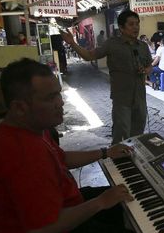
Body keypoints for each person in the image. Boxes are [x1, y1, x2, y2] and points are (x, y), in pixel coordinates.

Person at [0, 58, 146, 233]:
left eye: (59, 93)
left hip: (63, 210)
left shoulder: (33, 128)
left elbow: (61, 158)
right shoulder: (20, 153)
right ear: (19, 108)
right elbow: (42, 230)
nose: (61, 103)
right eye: (50, 98)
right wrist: (100, 202)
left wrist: (105, 152)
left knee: (128, 197)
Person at [62, 10, 152, 143]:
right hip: (122, 98)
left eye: (137, 24)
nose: (136, 27)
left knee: (138, 134)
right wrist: (73, 43)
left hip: (140, 98)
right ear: (121, 28)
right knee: (121, 134)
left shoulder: (143, 46)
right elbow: (89, 56)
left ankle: (136, 160)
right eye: (131, 24)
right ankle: (118, 161)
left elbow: (149, 66)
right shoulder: (112, 44)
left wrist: (145, 70)